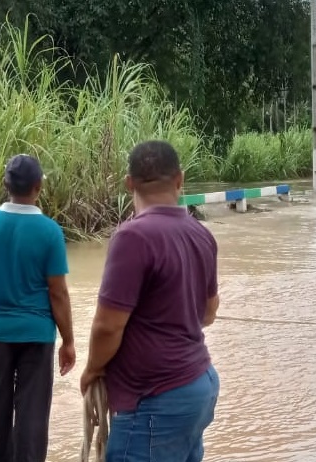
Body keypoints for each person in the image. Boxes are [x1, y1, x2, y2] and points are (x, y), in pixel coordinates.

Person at [80, 140, 219, 461]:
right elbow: (209, 313)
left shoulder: (132, 237)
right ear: (180, 180)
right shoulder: (201, 234)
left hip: (155, 398)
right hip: (199, 384)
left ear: (129, 183)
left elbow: (107, 327)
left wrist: (92, 369)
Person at [0, 154, 75, 462]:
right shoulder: (50, 232)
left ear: (6, 185)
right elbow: (58, 292)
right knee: (32, 415)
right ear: (38, 187)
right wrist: (68, 340)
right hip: (36, 337)